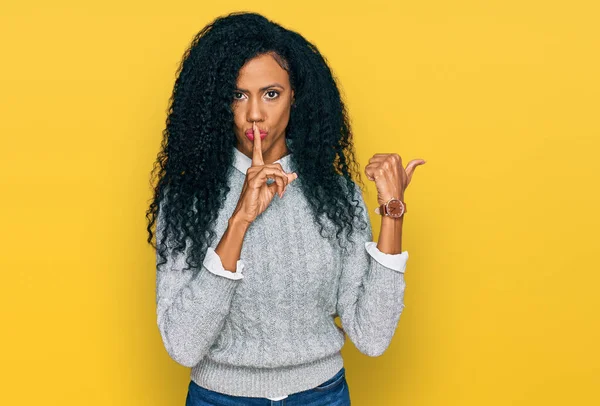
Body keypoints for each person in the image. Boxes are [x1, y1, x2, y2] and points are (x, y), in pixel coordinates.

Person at [146, 11, 426, 406]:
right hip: (221, 398)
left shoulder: (335, 196)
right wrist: (239, 220)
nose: (255, 113)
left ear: (296, 95)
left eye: (271, 93)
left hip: (322, 395)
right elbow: (183, 345)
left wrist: (392, 213)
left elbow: (373, 336)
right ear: (214, 102)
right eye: (237, 94)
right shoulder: (188, 200)